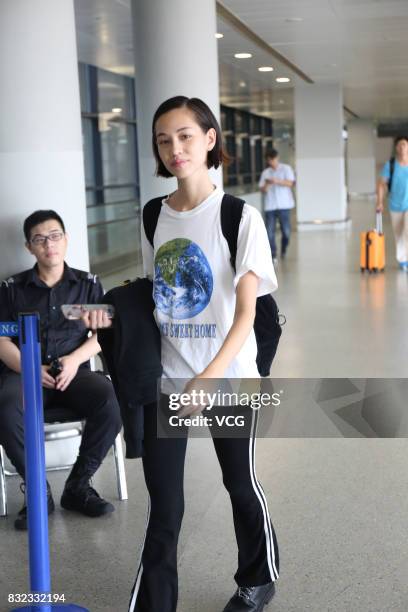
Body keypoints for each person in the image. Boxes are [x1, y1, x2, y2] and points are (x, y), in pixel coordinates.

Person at [87, 96, 280, 612]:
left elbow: (246, 315)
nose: (175, 149)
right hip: (166, 380)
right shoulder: (154, 215)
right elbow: (150, 298)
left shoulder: (240, 217)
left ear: (210, 139)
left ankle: (258, 578)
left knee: (239, 483)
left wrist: (210, 379)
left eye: (185, 136)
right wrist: (96, 334)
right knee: (165, 505)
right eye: (163, 139)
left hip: (228, 377)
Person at [0, 210, 122, 530]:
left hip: (73, 371)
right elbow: (1, 340)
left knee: (110, 400)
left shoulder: (88, 285)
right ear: (29, 247)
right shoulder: (12, 289)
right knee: (6, 407)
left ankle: (78, 487)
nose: (48, 244)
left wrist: (75, 359)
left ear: (66, 240)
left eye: (54, 236)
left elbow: (102, 335)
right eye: (39, 239)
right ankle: (38, 493)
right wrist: (28, 368)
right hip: (25, 374)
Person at [377, 135, 408, 270]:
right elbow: (381, 184)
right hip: (395, 205)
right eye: (400, 145)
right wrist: (379, 202)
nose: (402, 147)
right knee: (399, 235)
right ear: (396, 148)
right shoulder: (390, 165)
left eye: (405, 145)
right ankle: (403, 261)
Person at [258, 149, 295, 262]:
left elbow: (291, 183)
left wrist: (277, 181)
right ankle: (273, 254)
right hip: (270, 206)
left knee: (286, 232)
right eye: (269, 160)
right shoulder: (265, 173)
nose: (271, 162)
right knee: (269, 232)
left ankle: (284, 248)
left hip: (284, 205)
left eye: (273, 159)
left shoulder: (286, 169)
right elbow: (262, 189)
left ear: (277, 158)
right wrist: (268, 184)